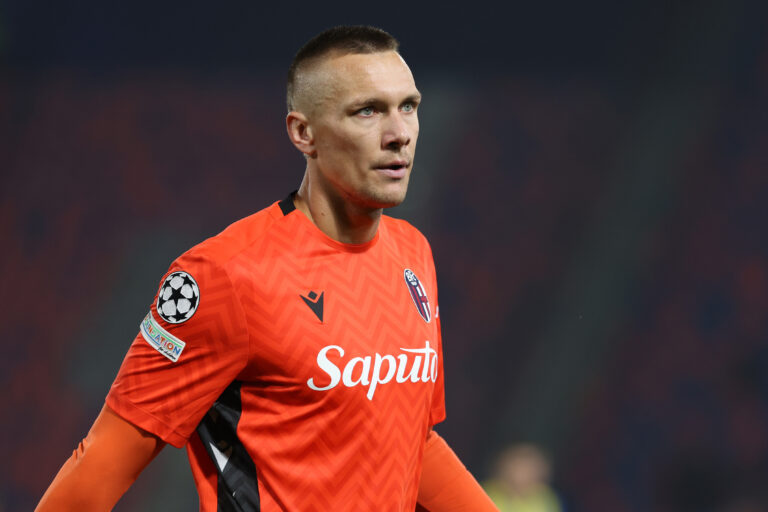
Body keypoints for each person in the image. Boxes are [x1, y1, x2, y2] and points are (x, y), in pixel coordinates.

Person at [36, 25, 498, 511]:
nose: (399, 134)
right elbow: (98, 466)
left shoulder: (413, 253)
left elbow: (410, 440)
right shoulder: (225, 276)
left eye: (408, 106)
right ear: (303, 133)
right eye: (367, 111)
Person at [483, 444, 562, 512]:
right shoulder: (487, 493)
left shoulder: (547, 498)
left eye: (529, 468)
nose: (522, 473)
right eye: (517, 466)